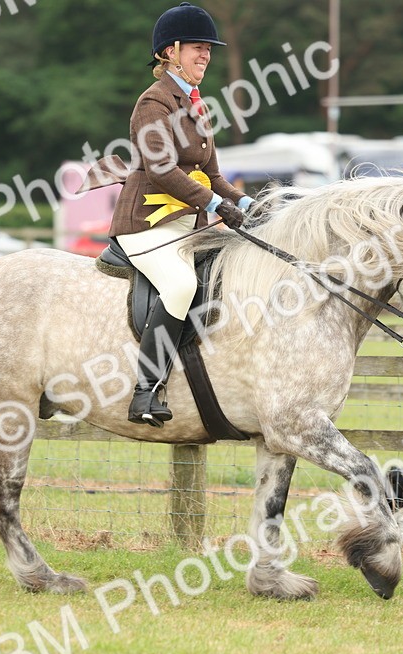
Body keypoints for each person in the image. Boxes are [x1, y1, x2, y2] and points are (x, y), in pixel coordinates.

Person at [104, 2, 252, 426]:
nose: (205, 55)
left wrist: (245, 204)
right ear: (170, 52)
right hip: (147, 224)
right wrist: (213, 204)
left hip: (189, 225)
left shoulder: (195, 105)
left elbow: (213, 175)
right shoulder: (154, 104)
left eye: (208, 49)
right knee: (181, 283)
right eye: (197, 48)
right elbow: (162, 169)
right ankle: (146, 390)